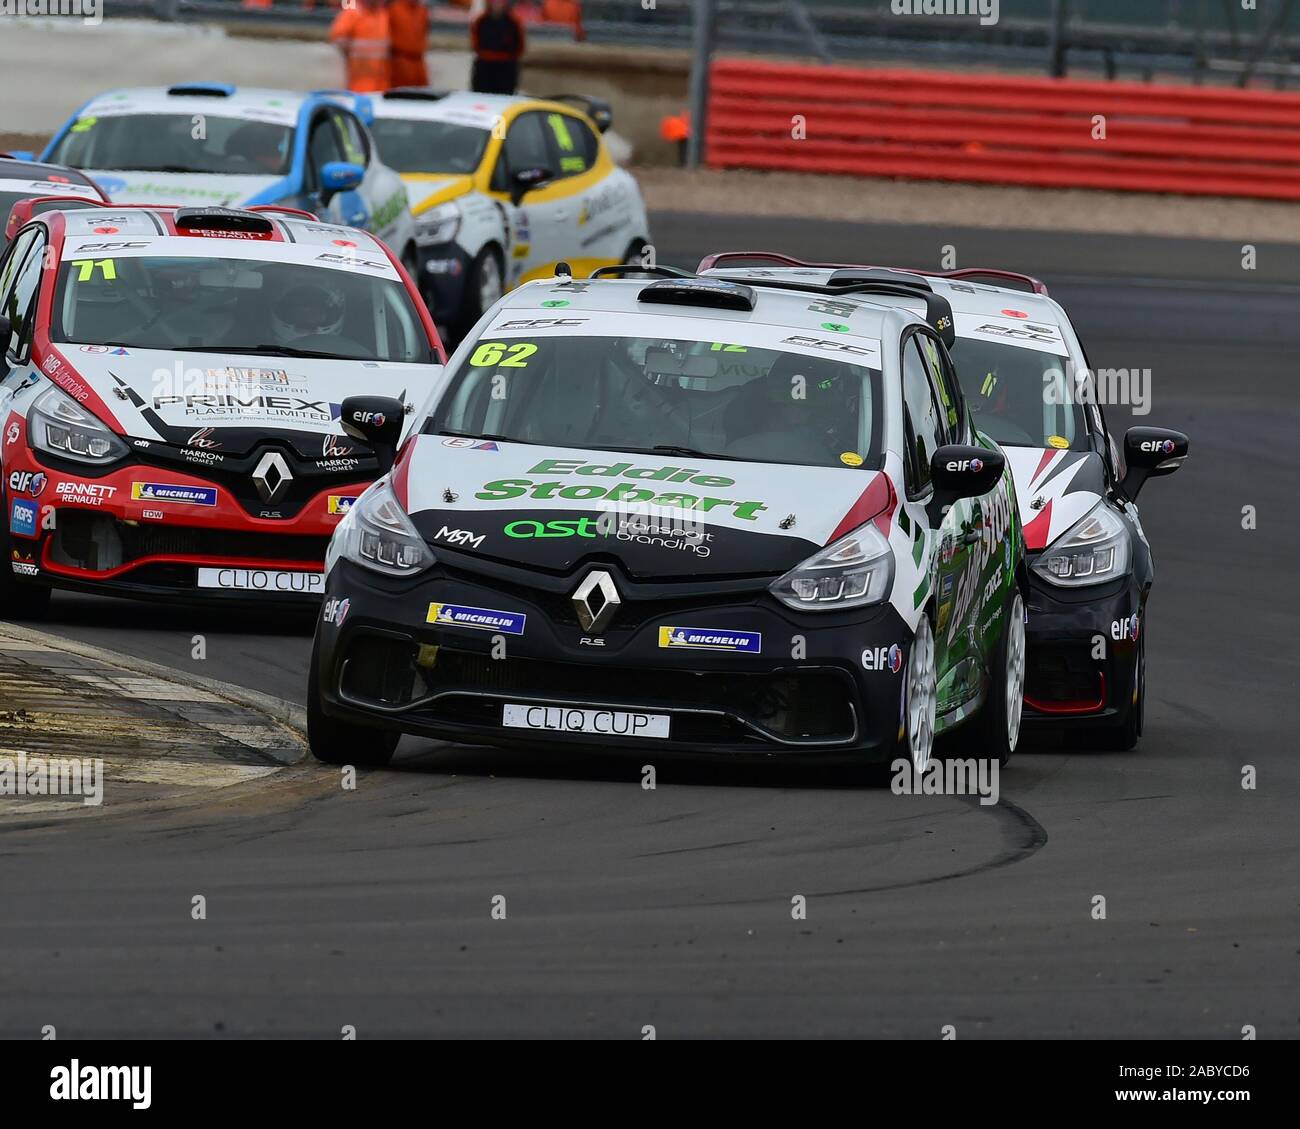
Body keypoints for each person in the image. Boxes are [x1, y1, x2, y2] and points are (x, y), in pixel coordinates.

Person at [330, 0, 392, 95]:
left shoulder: (383, 14)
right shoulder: (353, 12)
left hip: (382, 81)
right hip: (360, 81)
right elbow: (338, 38)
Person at [470, 0, 526, 96]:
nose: (497, 5)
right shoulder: (481, 20)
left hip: (506, 67)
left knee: (504, 97)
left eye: (500, 2)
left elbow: (520, 45)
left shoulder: (514, 22)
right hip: (484, 66)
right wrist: (486, 55)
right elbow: (476, 43)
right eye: (494, 2)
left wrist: (508, 58)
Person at [389, 0, 430, 88]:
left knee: (422, 95)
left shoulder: (422, 10)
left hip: (419, 62)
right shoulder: (394, 9)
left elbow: (423, 32)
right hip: (400, 61)